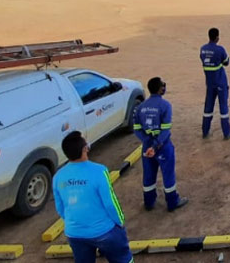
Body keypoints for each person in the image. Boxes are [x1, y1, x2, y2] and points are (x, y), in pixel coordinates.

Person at [53, 131, 133, 263]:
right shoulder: (99, 171)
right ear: (85, 149)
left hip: (75, 233)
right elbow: (110, 202)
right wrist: (120, 221)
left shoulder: (58, 177)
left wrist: (76, 223)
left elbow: (60, 208)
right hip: (104, 231)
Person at [134, 77, 188, 212]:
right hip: (163, 146)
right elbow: (165, 130)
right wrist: (156, 145)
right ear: (160, 89)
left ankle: (149, 202)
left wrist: (148, 143)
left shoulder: (141, 107)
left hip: (147, 147)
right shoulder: (165, 106)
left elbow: (137, 129)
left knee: (148, 174)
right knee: (168, 174)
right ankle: (172, 201)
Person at [200, 28, 230, 140]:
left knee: (208, 107)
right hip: (220, 82)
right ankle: (226, 132)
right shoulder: (220, 50)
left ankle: (205, 131)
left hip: (209, 83)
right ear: (217, 37)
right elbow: (227, 62)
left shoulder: (203, 49)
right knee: (223, 107)